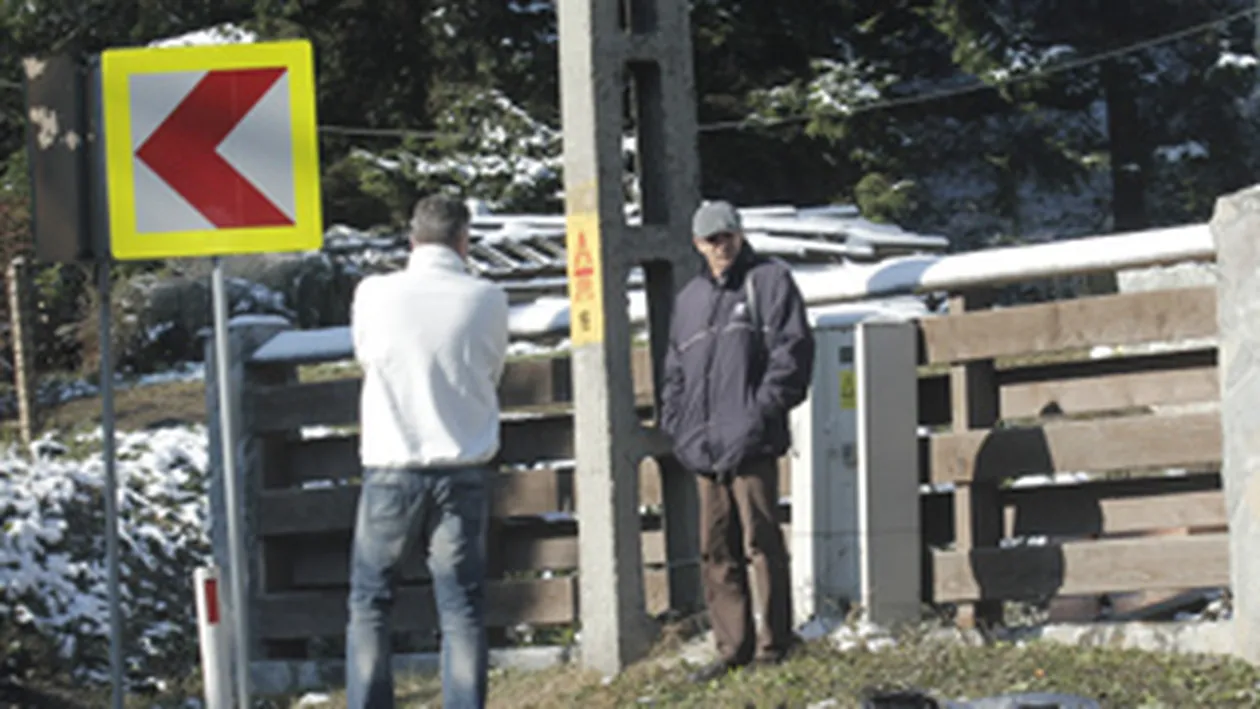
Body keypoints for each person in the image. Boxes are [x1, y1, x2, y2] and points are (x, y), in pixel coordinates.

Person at [345, 194, 509, 709]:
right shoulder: (487, 297)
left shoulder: (374, 293)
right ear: (463, 241)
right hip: (462, 466)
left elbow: (365, 355)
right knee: (460, 609)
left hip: (391, 465)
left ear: (412, 239)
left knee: (371, 602)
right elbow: (493, 366)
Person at [660, 200, 815, 682]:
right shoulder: (688, 301)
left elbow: (792, 355)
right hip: (705, 449)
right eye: (711, 239)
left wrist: (758, 412)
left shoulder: (770, 280)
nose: (720, 246)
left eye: (726, 236)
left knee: (762, 542)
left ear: (740, 235)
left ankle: (776, 644)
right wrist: (679, 426)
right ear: (697, 245)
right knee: (716, 550)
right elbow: (674, 375)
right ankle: (732, 648)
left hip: (752, 443)